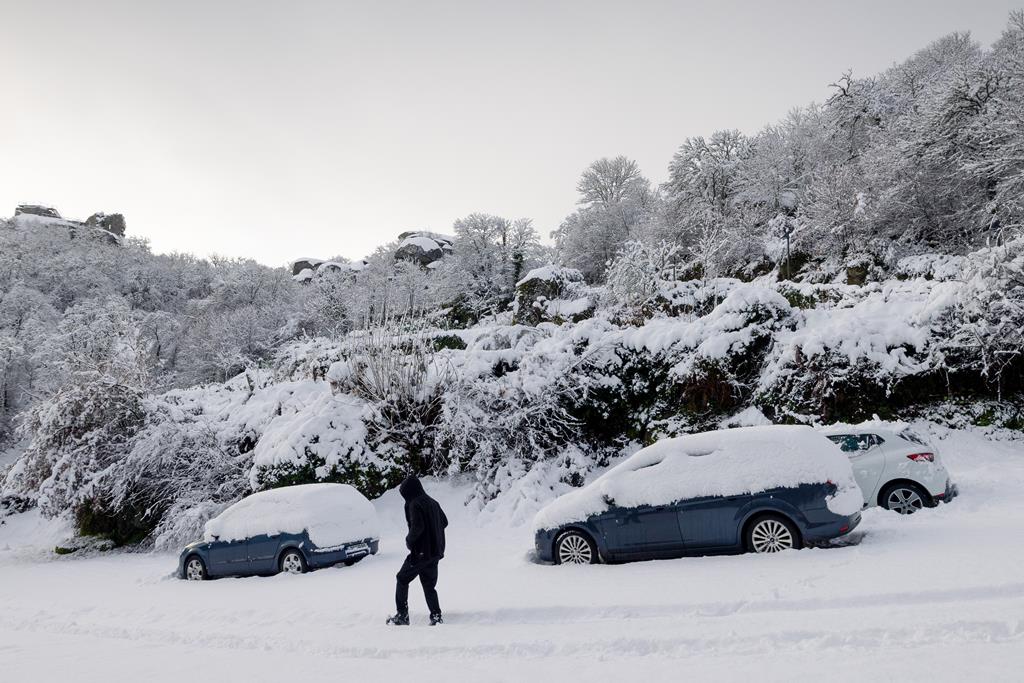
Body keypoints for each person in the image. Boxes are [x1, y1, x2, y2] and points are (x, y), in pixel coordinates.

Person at [386, 475, 448, 626]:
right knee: (429, 585)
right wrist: (433, 534)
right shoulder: (433, 502)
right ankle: (436, 616)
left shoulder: (415, 504)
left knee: (402, 578)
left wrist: (409, 540)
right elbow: (444, 522)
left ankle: (402, 615)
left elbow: (417, 527)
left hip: (420, 553)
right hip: (435, 552)